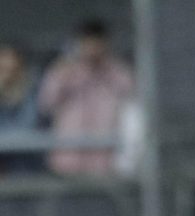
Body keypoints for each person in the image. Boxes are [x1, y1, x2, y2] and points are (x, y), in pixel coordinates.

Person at [37, 19, 134, 176]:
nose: (93, 48)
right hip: (69, 159)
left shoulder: (118, 72)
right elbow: (46, 104)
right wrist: (64, 71)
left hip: (105, 161)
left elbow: (132, 104)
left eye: (97, 42)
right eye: (87, 42)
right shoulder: (64, 71)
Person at [0, 43, 43, 174]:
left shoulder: (31, 94)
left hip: (26, 169)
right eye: (2, 70)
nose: (7, 76)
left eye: (11, 70)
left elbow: (28, 126)